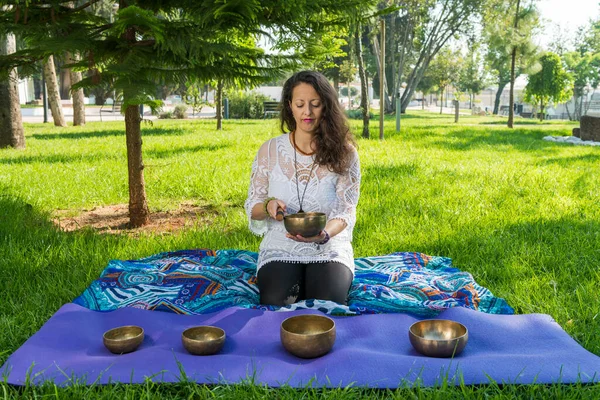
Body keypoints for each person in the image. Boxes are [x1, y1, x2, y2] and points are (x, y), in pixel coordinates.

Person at [244, 70, 361, 307]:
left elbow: (346, 212)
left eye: (315, 104)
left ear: (326, 107)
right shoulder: (269, 150)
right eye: (300, 104)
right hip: (281, 245)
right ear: (290, 107)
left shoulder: (345, 153)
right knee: (277, 303)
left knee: (327, 304)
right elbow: (252, 207)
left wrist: (324, 234)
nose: (307, 112)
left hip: (329, 246)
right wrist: (269, 207)